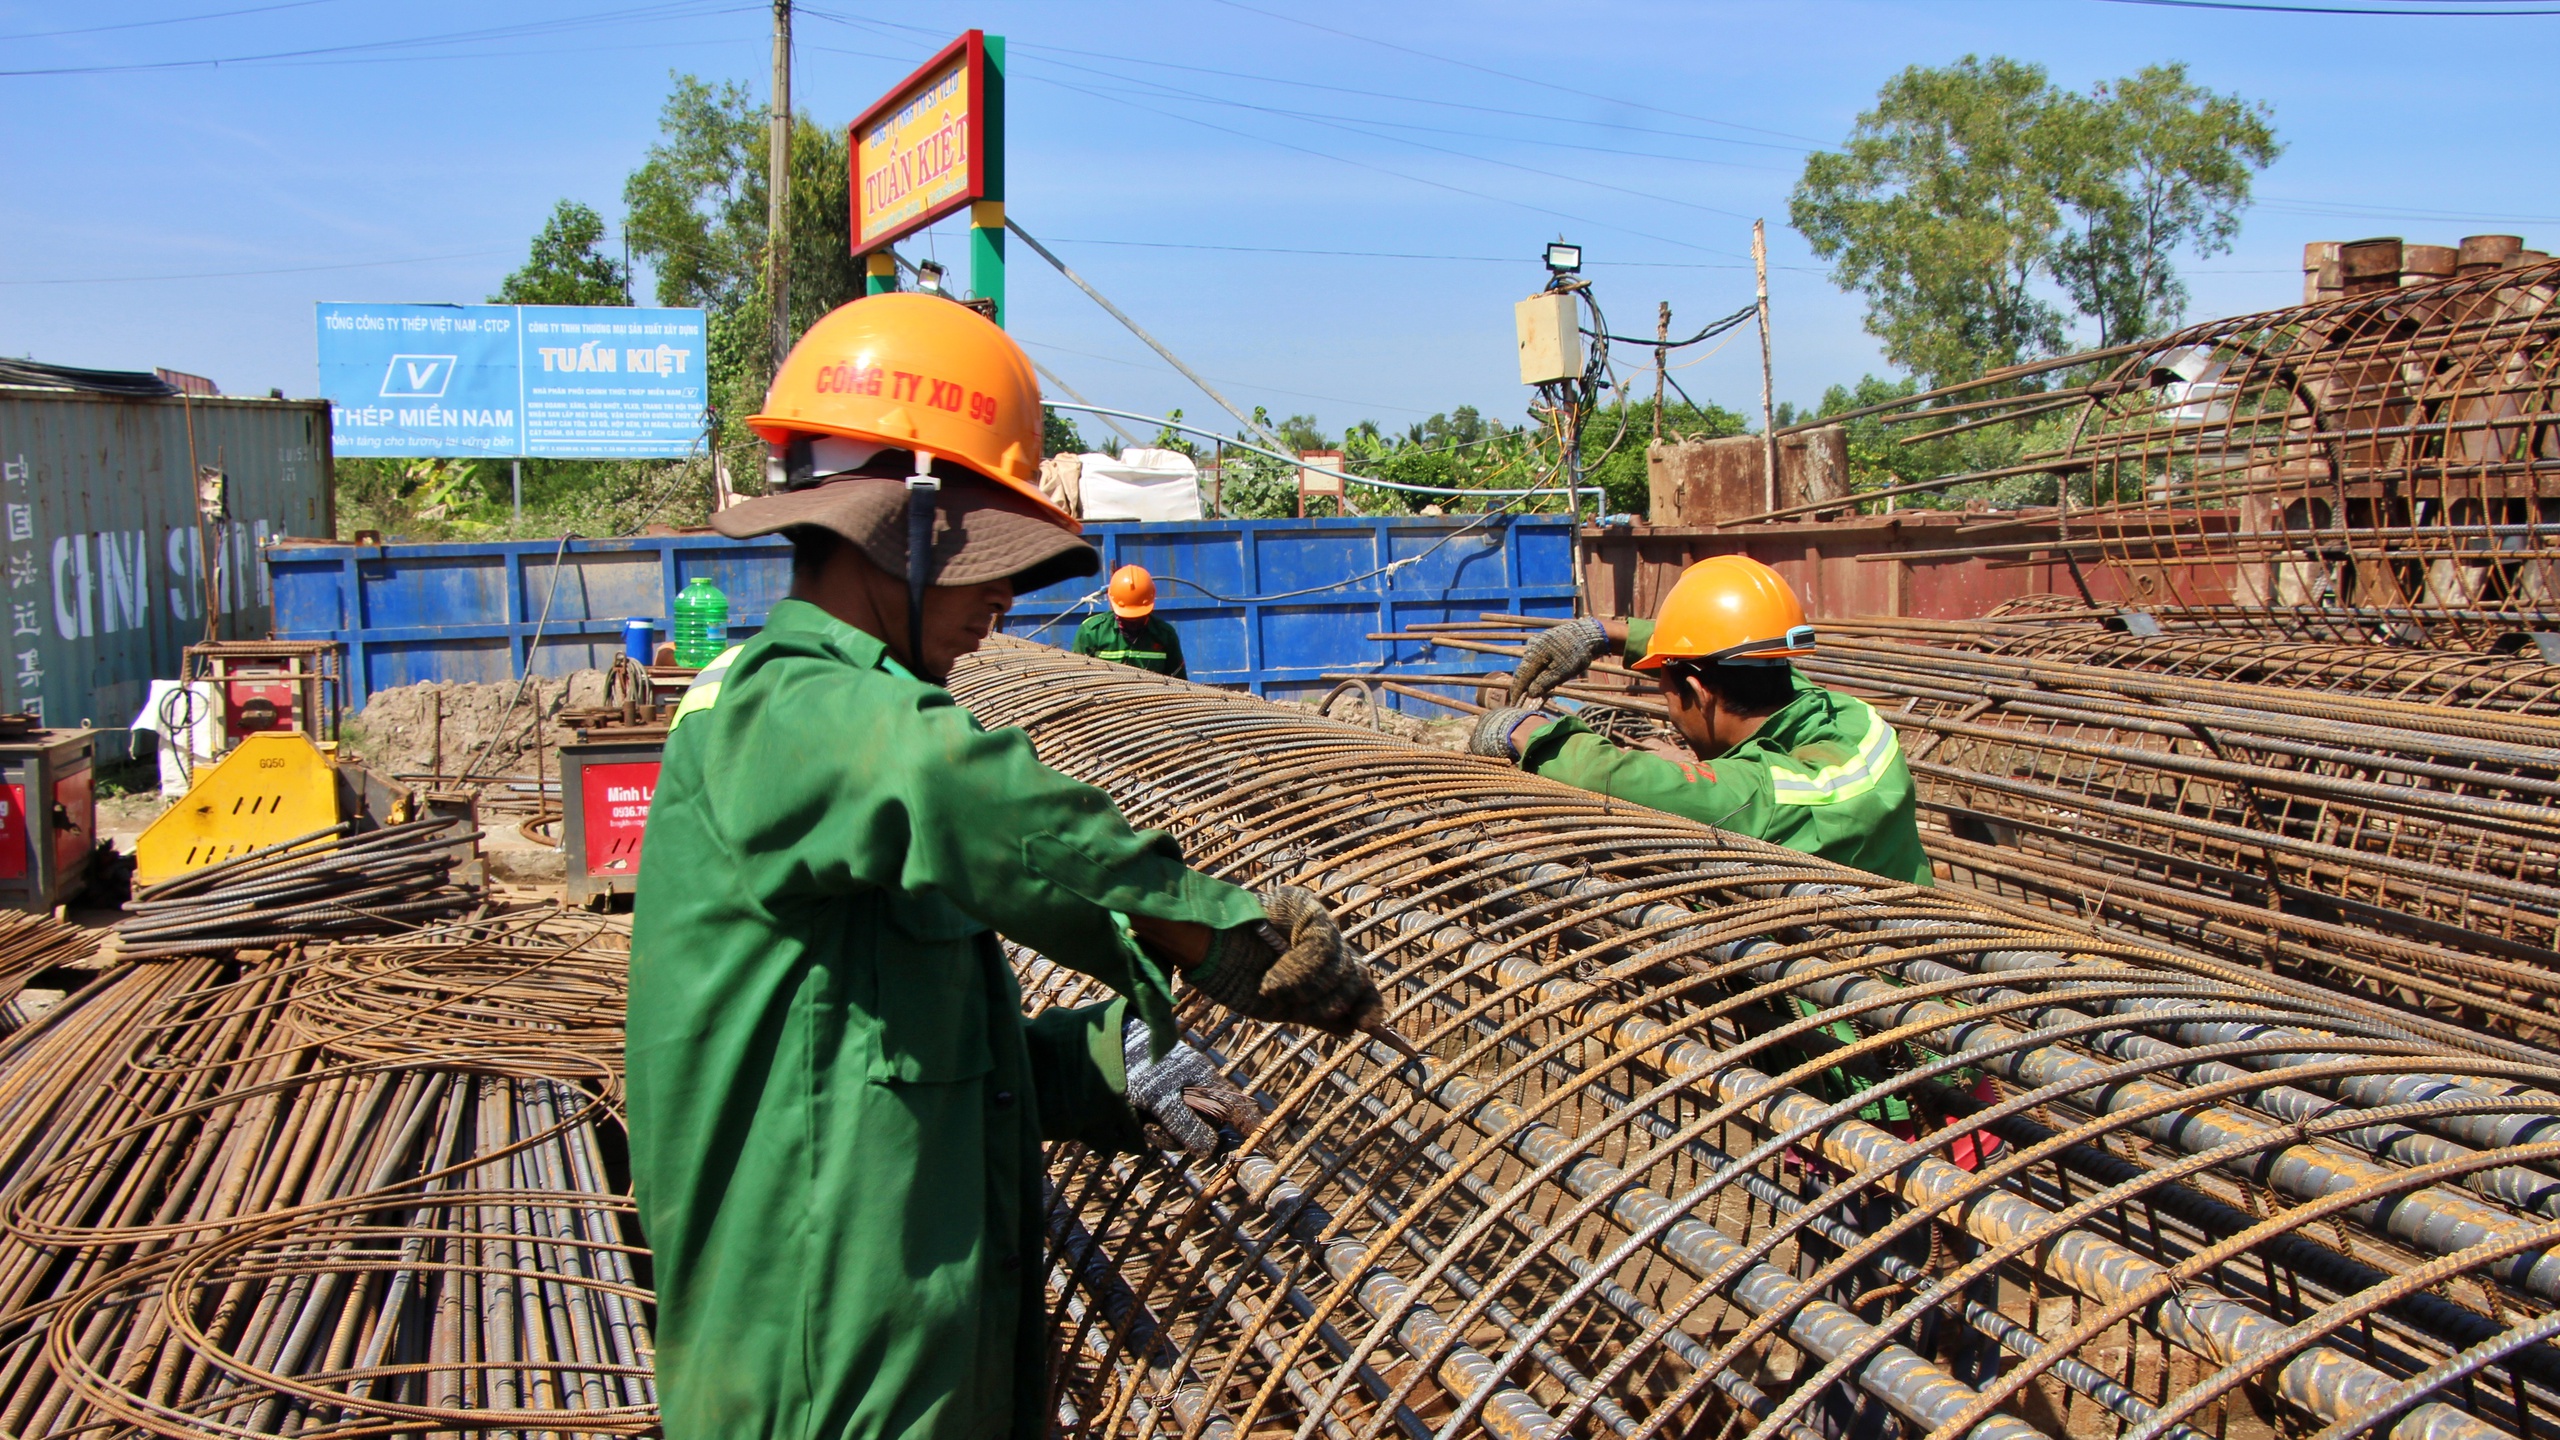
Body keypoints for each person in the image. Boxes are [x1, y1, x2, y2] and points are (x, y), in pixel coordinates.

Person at [627, 291, 1383, 1440]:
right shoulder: (787, 708)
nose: (1004, 603)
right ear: (907, 523)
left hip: (901, 1344)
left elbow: (866, 1051)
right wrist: (1215, 935)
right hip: (819, 1372)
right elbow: (953, 785)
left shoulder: (844, 751)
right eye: (989, 559)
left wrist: (1096, 1065)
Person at [1468, 554, 1933, 886]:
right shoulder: (1849, 717)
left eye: (1669, 694)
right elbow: (1747, 651)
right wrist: (1605, 634)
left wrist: (1520, 728)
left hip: (1867, 989)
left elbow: (1605, 773)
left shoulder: (1770, 798)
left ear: (1698, 692)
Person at [1071, 563, 1188, 676]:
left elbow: (1179, 681)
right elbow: (1077, 678)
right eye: (1126, 618)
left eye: (1138, 617)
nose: (1133, 621)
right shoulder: (1091, 632)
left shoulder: (1165, 635)